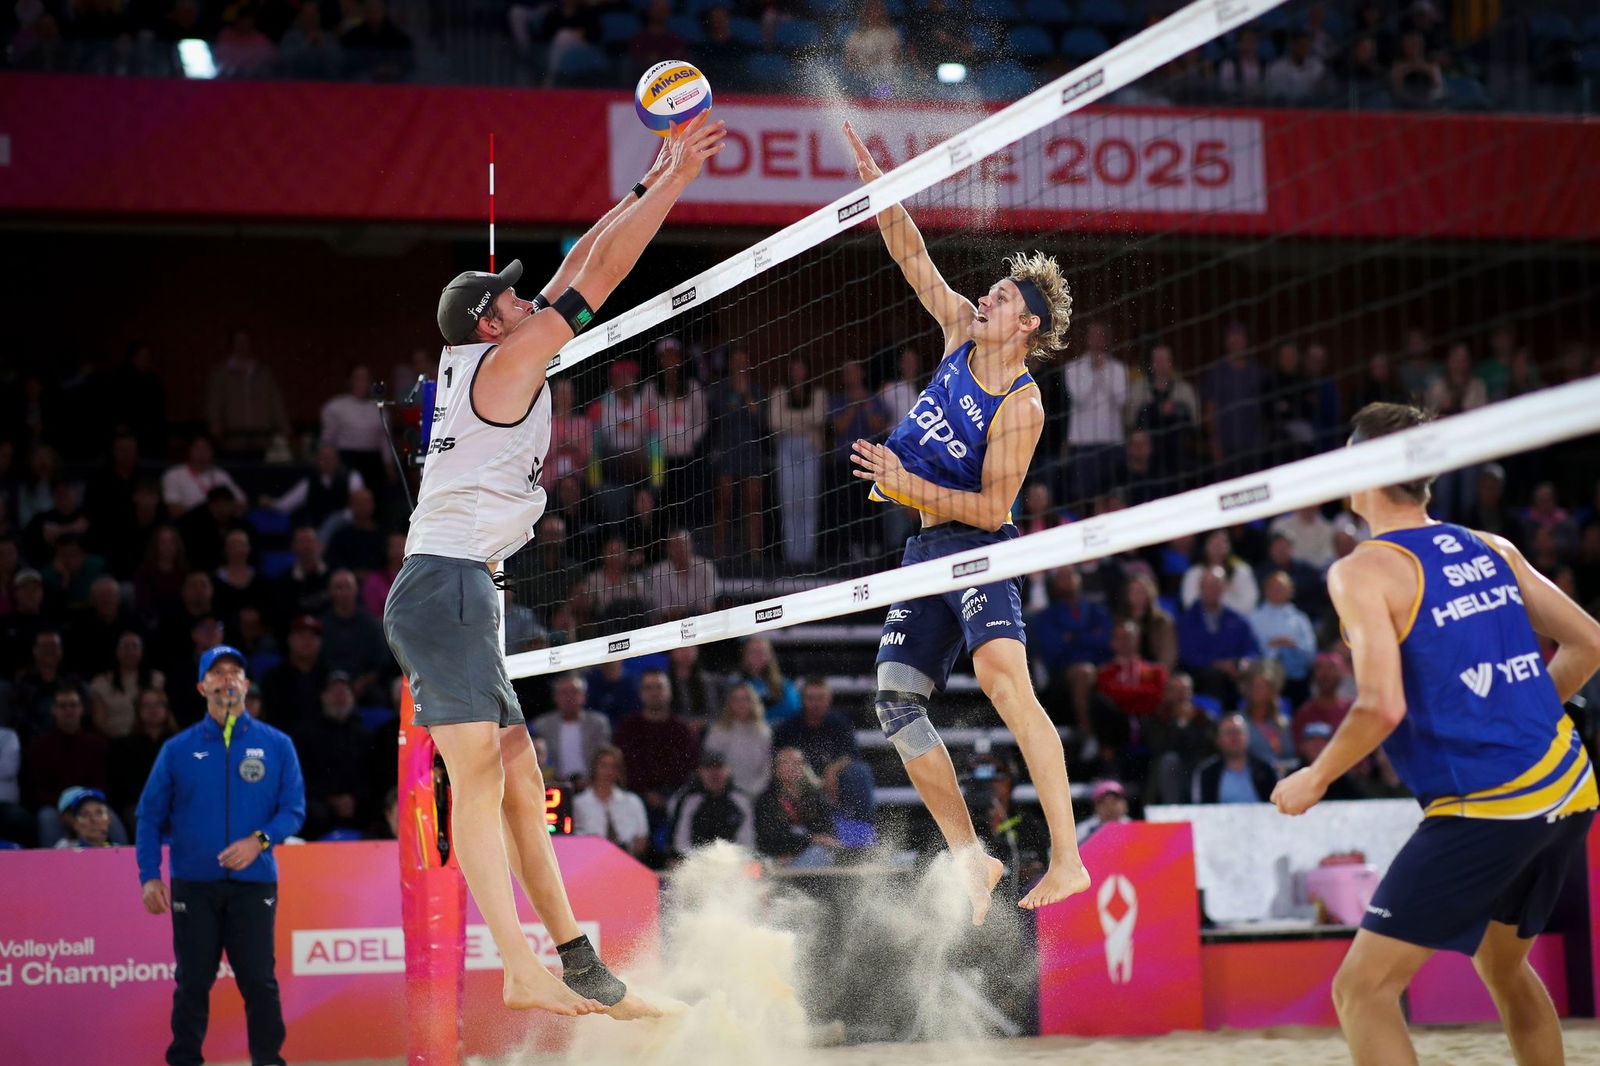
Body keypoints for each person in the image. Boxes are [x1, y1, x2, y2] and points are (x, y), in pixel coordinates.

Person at [382, 114, 722, 1018]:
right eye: (512, 297)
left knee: (522, 776)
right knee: (482, 782)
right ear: (490, 322)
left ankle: (575, 960)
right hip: (446, 587)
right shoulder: (506, 362)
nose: (528, 298)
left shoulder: (489, 360)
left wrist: (647, 183)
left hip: (460, 591)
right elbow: (598, 280)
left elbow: (576, 268)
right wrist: (679, 183)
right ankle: (516, 965)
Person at [1271, 402, 1600, 1066]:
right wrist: (1515, 711)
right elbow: (1589, 642)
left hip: (1490, 806)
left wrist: (1315, 775)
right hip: (1570, 786)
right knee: (1504, 969)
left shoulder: (1361, 570)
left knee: (1362, 992)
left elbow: (1379, 706)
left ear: (1363, 470)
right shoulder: (1491, 546)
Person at [843, 120, 1089, 924]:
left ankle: (1067, 856)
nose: (986, 296)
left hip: (979, 547)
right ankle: (968, 855)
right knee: (894, 700)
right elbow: (909, 249)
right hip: (923, 545)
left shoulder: (1022, 405)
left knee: (1003, 683)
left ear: (1025, 327)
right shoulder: (955, 332)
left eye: (1003, 298)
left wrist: (905, 480)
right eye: (990, 291)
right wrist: (879, 185)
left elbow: (992, 508)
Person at [136, 644, 305, 1066]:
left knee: (259, 983)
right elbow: (148, 817)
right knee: (192, 981)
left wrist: (259, 841)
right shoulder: (177, 750)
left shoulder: (277, 745)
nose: (227, 678)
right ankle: (185, 1060)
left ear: (246, 684)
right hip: (194, 885)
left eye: (235, 672)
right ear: (201, 686)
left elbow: (294, 810)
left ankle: (268, 1061)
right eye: (217, 673)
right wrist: (148, 875)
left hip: (254, 884)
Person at [753, 746, 838, 867]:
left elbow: (827, 833)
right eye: (786, 763)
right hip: (776, 858)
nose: (793, 767)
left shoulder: (816, 797)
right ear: (775, 769)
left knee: (821, 853)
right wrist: (810, 840)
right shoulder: (766, 800)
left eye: (798, 762)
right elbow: (770, 838)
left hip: (810, 855)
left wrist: (804, 846)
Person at [531, 673, 613, 792]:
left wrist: (589, 780)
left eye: (574, 691)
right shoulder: (542, 726)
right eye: (564, 692)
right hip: (554, 788)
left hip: (593, 787)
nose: (569, 697)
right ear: (555, 697)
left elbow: (604, 757)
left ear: (584, 696)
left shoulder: (598, 724)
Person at [669, 749, 755, 858]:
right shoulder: (688, 799)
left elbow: (748, 842)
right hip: (696, 862)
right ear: (699, 771)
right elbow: (680, 843)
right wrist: (704, 859)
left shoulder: (741, 800)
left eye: (719, 768)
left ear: (728, 771)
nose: (714, 774)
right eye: (708, 768)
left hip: (732, 862)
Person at [571, 745, 649, 859]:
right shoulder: (578, 804)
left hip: (628, 863)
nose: (608, 771)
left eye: (614, 767)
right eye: (604, 765)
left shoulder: (633, 802)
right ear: (594, 768)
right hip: (590, 863)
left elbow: (642, 840)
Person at [702, 682, 773, 797]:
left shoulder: (764, 732)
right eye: (736, 700)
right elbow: (711, 767)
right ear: (729, 704)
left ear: (753, 702)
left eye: (746, 699)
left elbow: (767, 767)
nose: (741, 704)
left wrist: (755, 791)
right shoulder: (717, 731)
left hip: (757, 793)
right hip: (724, 793)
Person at [1192, 713, 1279, 803]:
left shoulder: (1266, 769)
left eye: (1238, 732)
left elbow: (1277, 804)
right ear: (1218, 739)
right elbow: (1202, 808)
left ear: (1247, 737)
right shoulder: (1207, 772)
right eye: (1228, 732)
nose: (1234, 737)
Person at [1074, 779, 1133, 844]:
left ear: (1124, 804)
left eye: (1114, 802)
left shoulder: (1134, 828)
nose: (1110, 807)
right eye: (1104, 803)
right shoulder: (1083, 830)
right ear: (1096, 807)